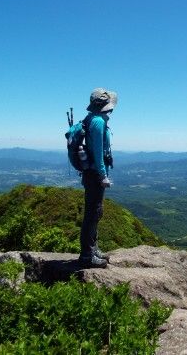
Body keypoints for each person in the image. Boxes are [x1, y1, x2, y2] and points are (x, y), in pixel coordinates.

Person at [79, 88, 117, 268]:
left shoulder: (92, 119)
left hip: (91, 174)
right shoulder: (98, 122)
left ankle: (92, 249)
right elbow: (98, 152)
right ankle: (87, 255)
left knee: (95, 213)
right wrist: (103, 175)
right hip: (95, 174)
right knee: (93, 214)